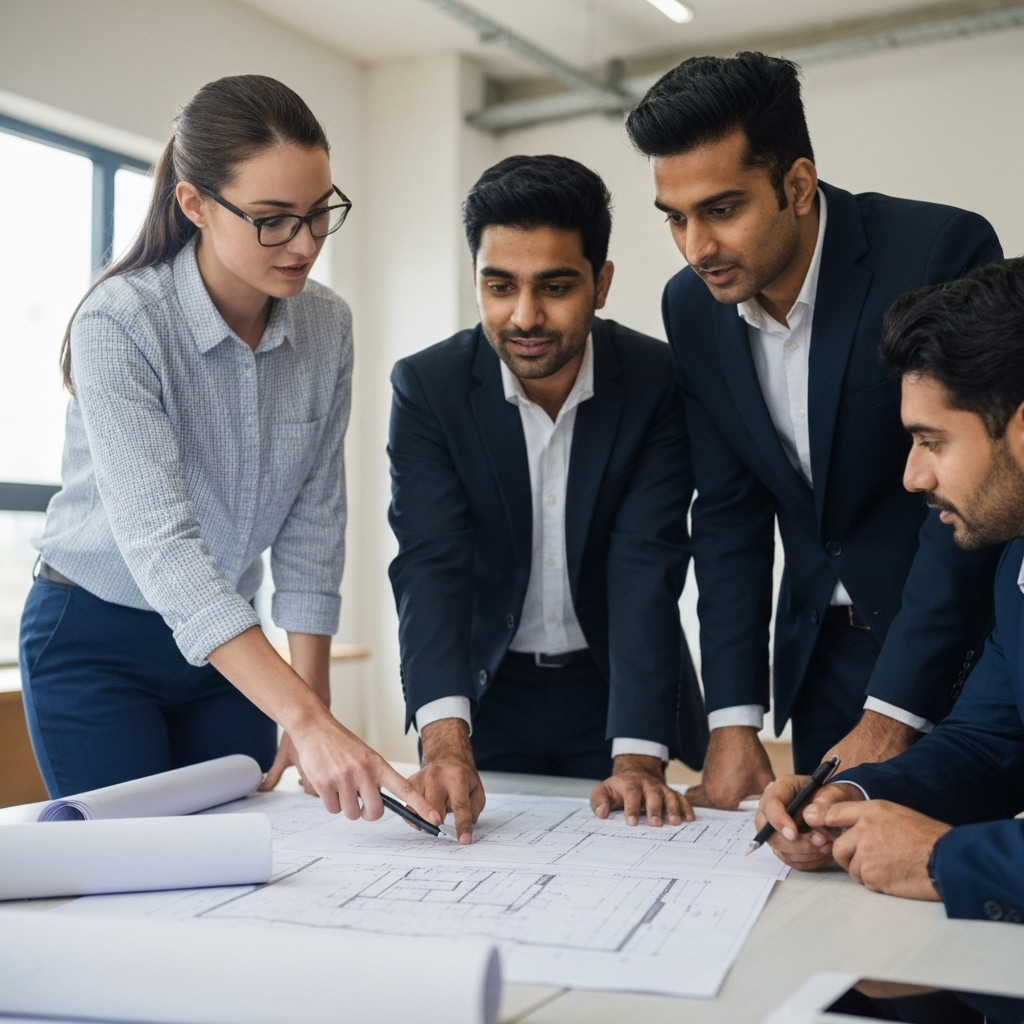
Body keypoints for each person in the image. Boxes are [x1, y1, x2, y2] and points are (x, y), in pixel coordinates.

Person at [19, 75, 437, 827]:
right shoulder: (120, 323)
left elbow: (314, 521)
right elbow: (164, 548)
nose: (305, 243)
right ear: (195, 204)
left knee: (253, 857)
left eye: (318, 214)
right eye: (274, 220)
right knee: (136, 878)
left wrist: (312, 705)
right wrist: (308, 724)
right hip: (97, 638)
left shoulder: (326, 327)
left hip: (230, 653)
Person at [624, 51, 1003, 805]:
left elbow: (964, 496)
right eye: (675, 218)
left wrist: (892, 711)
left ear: (797, 185)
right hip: (817, 660)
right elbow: (728, 512)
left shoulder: (935, 253)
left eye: (721, 209)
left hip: (951, 650)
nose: (696, 247)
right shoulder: (692, 309)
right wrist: (734, 723)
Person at [387, 155, 708, 844]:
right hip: (485, 691)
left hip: (614, 687)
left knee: (632, 857)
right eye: (499, 286)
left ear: (602, 283)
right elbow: (431, 564)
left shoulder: (656, 380)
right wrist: (444, 743)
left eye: (555, 287)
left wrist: (638, 758)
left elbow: (645, 566)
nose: (524, 316)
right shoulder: (429, 387)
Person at [757, 258, 1024, 922]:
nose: (913, 477)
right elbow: (989, 742)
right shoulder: (1014, 553)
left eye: (932, 442)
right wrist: (848, 799)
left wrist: (942, 857)